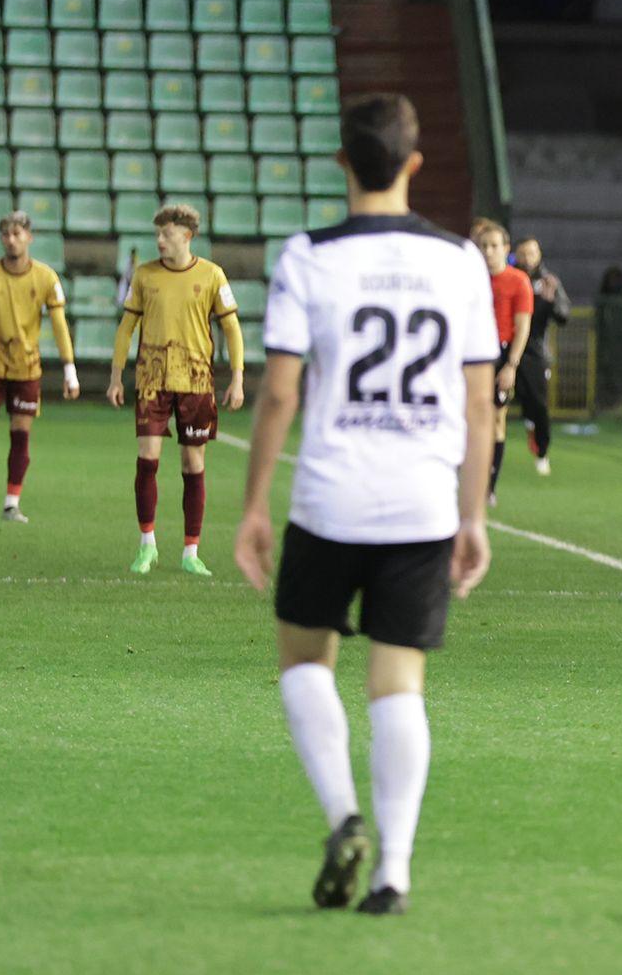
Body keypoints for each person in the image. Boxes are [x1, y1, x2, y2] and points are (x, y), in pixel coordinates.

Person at [232, 92, 499, 917]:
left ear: (343, 161)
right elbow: (482, 402)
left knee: (306, 662)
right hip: (421, 504)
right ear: (414, 165)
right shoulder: (460, 260)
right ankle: (395, 872)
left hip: (329, 498)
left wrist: (252, 506)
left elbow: (279, 393)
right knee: (399, 684)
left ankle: (343, 812)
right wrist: (473, 516)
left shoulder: (308, 256)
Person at [106, 205, 243, 575]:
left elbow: (232, 329)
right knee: (147, 457)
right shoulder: (144, 275)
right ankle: (147, 545)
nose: (159, 241)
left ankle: (190, 552)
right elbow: (125, 329)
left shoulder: (212, 275)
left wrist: (238, 378)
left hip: (196, 383)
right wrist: (117, 377)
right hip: (152, 382)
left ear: (187, 235)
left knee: (192, 463)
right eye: (157, 234)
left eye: (166, 234)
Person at [0, 212, 74, 523]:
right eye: (6, 234)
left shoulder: (46, 278)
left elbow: (60, 326)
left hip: (26, 369)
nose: (11, 239)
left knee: (20, 435)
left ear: (29, 237)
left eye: (17, 233)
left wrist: (69, 370)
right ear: (1, 239)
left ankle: (11, 504)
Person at [473, 221, 533, 504]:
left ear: (506, 249)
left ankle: (489, 486)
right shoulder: (470, 279)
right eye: (484, 246)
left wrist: (511, 364)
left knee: (497, 419)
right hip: (473, 354)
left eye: (494, 246)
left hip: (501, 353)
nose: (488, 252)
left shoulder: (518, 281)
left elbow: (522, 326)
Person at [512, 237, 570, 476]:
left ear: (539, 255)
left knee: (539, 404)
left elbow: (564, 315)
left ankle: (542, 451)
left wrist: (550, 304)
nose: (527, 258)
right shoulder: (509, 279)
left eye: (532, 253)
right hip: (506, 347)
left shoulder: (548, 282)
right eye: (523, 253)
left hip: (534, 351)